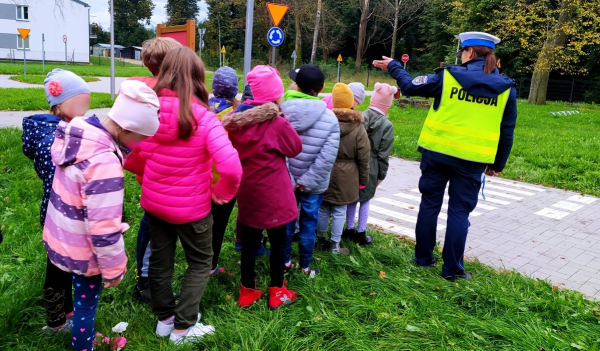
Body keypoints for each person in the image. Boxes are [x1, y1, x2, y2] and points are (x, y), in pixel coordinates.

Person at [373, 32, 517, 281]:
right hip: (472, 160)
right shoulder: (506, 88)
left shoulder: (448, 77)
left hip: (437, 154)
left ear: (469, 52)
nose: (460, 57)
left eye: (462, 52)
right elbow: (507, 129)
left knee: (430, 205)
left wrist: (394, 66)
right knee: (459, 213)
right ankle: (452, 270)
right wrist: (498, 164)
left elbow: (409, 86)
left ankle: (423, 259)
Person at [128, 47, 242, 344]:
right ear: (197, 78)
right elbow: (231, 167)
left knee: (161, 262)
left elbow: (133, 156)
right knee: (200, 262)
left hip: (155, 205)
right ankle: (183, 328)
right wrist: (222, 192)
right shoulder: (204, 118)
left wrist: (146, 180)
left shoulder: (149, 112)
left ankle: (164, 320)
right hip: (192, 208)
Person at [42, 80, 161, 351]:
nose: (142, 144)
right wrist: (114, 268)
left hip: (61, 237)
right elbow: (103, 226)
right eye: (141, 137)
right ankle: (84, 344)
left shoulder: (77, 137)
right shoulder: (104, 163)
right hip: (85, 250)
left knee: (78, 294)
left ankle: (74, 331)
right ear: (125, 128)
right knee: (86, 304)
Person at [222, 65, 302, 310]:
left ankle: (247, 290)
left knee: (249, 241)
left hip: (248, 191)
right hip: (275, 194)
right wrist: (282, 119)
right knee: (279, 241)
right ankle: (277, 290)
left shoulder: (235, 124)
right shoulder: (276, 123)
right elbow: (295, 148)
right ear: (275, 96)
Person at [22, 68, 90, 334]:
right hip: (60, 212)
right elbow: (62, 178)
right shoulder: (55, 139)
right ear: (62, 103)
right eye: (82, 101)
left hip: (57, 210)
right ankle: (56, 321)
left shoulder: (60, 131)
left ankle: (67, 311)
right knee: (58, 268)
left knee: (64, 265)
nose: (86, 107)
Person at [124, 36, 182, 303]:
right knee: (152, 227)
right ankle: (145, 282)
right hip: (159, 175)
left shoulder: (150, 92)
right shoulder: (157, 96)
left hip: (162, 173)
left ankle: (152, 277)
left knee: (158, 228)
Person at [281, 65, 340, 278]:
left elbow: (278, 150)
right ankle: (306, 266)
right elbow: (327, 157)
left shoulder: (282, 111)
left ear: (297, 85)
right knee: (308, 223)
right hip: (313, 186)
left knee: (286, 222)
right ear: (322, 88)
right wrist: (307, 180)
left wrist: (289, 179)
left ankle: (284, 261)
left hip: (285, 182)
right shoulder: (330, 118)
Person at [317, 83, 370, 254]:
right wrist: (363, 180)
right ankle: (335, 245)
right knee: (340, 210)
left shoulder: (324, 121)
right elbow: (363, 157)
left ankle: (320, 240)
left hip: (325, 170)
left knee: (323, 208)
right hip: (348, 176)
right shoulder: (358, 127)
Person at [344, 83, 397, 246]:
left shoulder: (359, 116)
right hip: (372, 165)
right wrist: (381, 175)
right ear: (387, 104)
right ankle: (361, 233)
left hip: (354, 163)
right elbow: (383, 155)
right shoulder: (387, 126)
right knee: (366, 199)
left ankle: (348, 229)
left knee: (353, 197)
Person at [207, 66, 240, 276]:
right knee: (217, 226)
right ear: (234, 90)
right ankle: (210, 265)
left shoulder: (200, 109)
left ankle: (197, 260)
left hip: (200, 179)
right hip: (224, 184)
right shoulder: (236, 116)